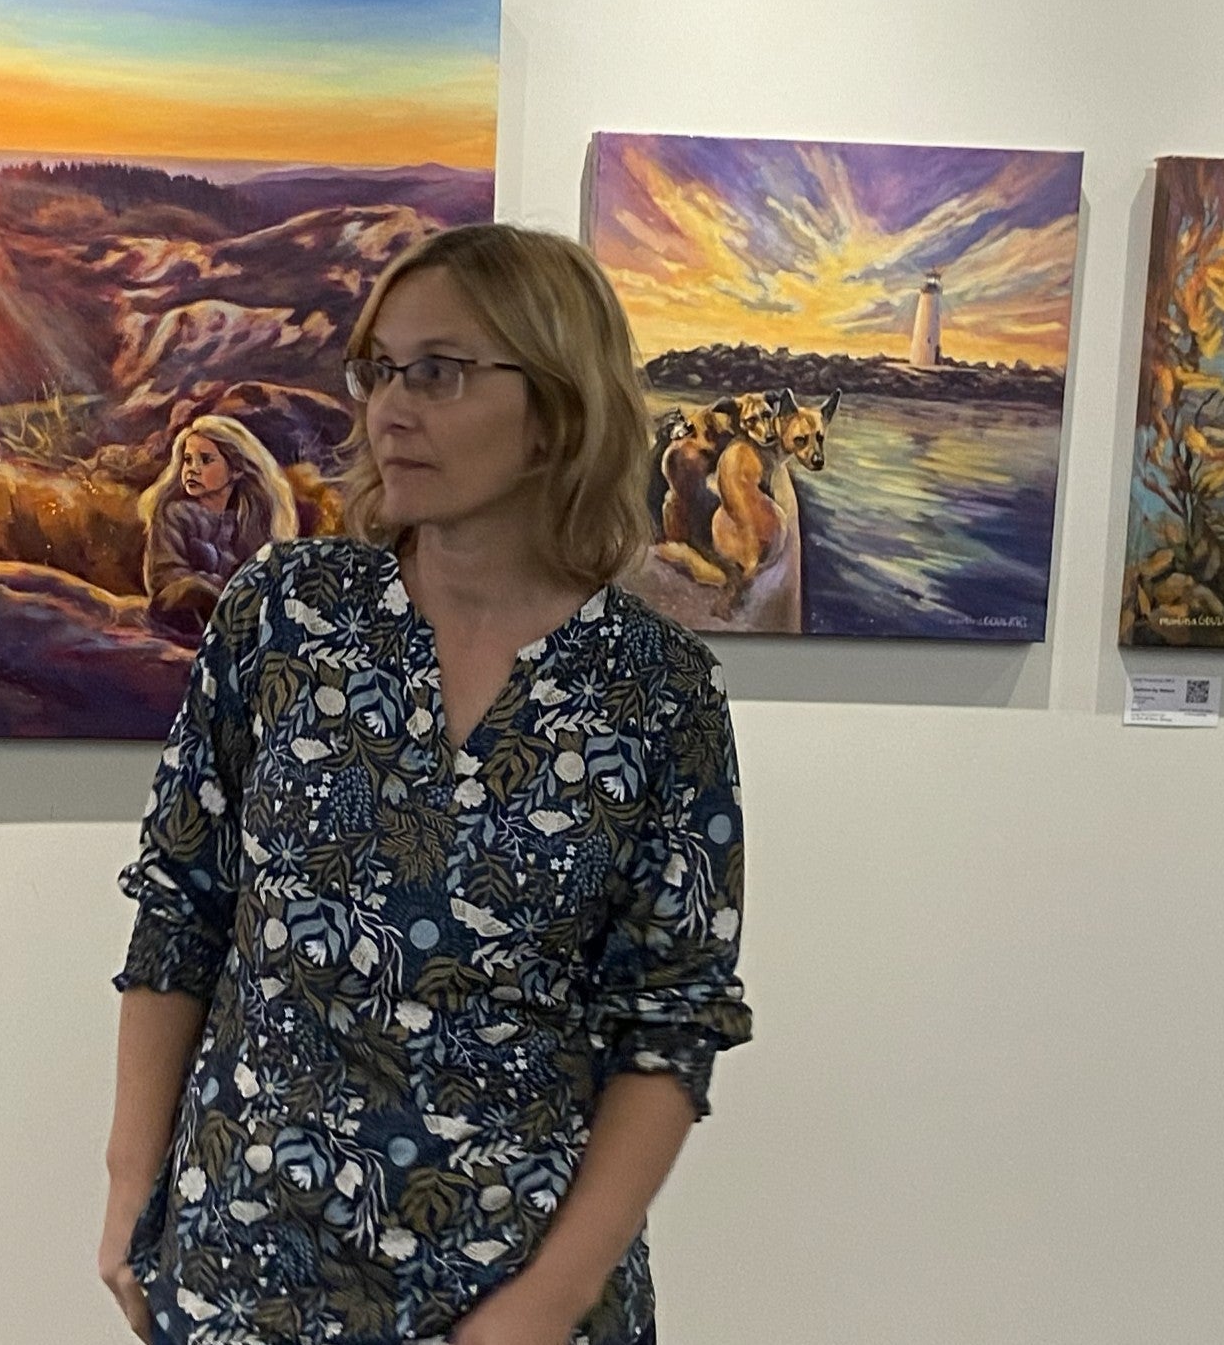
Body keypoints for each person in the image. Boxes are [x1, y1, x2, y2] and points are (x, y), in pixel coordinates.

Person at [101, 225, 752, 1345]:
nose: (389, 409)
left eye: (439, 372)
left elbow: (669, 1023)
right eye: (379, 370)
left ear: (555, 406)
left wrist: (546, 1306)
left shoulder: (655, 689)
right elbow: (182, 911)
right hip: (248, 1261)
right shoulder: (288, 617)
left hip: (521, 1285)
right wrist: (130, 1186)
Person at [139, 412, 300, 645]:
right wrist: (217, 590)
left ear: (236, 470)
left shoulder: (249, 521)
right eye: (187, 459)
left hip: (239, 615)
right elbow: (166, 577)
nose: (192, 469)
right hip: (184, 612)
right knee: (194, 589)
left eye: (205, 460)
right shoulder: (175, 514)